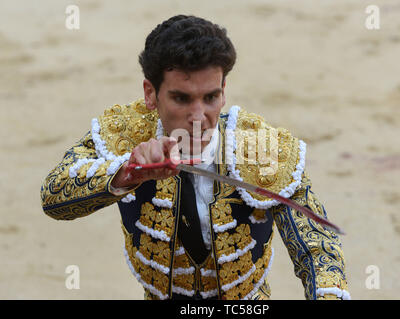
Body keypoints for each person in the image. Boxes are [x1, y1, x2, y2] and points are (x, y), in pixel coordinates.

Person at [40, 15, 350, 300]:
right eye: (181, 98)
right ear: (150, 93)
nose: (199, 116)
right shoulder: (126, 135)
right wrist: (126, 173)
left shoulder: (261, 147)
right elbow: (54, 195)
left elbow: (318, 250)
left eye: (211, 97)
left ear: (224, 90)